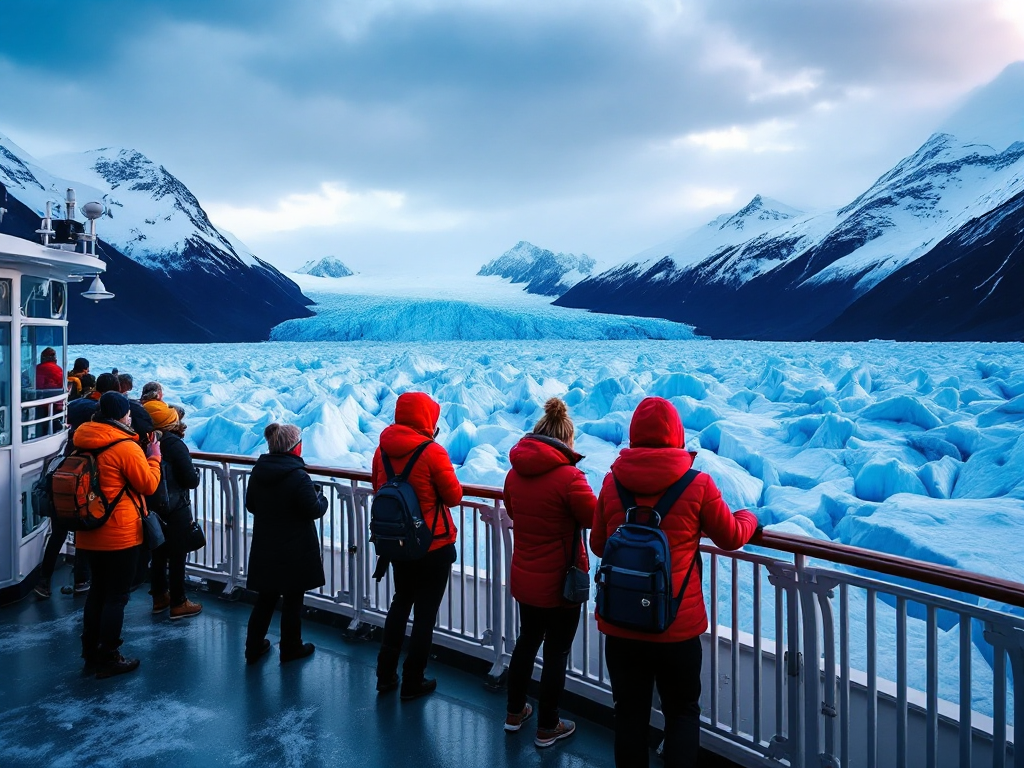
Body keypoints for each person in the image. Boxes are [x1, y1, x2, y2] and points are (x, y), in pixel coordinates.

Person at [590, 397, 759, 768]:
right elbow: (730, 536)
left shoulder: (611, 482)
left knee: (629, 713)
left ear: (634, 435)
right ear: (677, 436)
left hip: (621, 625)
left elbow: (599, 544)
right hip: (676, 629)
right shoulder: (697, 484)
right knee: (682, 712)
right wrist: (748, 518)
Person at [503, 398, 596, 748]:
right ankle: (548, 725)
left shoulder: (514, 474)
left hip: (526, 576)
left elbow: (513, 509)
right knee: (556, 653)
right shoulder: (571, 478)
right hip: (561, 583)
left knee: (527, 642)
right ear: (566, 440)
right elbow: (593, 518)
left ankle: (514, 713)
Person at [372, 391, 463, 700]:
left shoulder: (382, 450)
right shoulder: (432, 451)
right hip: (434, 545)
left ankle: (385, 675)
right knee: (425, 615)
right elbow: (453, 496)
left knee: (400, 602)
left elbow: (378, 488)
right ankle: (413, 680)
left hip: (399, 544)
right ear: (427, 419)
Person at [74, 391, 162, 679]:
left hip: (89, 531)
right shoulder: (125, 447)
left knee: (98, 592)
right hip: (120, 534)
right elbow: (148, 485)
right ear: (123, 415)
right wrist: (155, 458)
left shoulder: (81, 440)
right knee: (116, 596)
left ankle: (90, 653)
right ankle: (109, 655)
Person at [244, 423, 328, 664]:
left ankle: (253, 646)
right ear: (295, 448)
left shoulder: (259, 471)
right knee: (293, 600)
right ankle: (291, 648)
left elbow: (252, 505)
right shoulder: (298, 476)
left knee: (266, 598)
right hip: (294, 549)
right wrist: (320, 497)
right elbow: (313, 509)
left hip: (266, 545)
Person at [145, 399, 202, 620]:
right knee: (178, 555)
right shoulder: (174, 444)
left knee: (158, 552)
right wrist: (194, 474)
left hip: (152, 506)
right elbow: (190, 479)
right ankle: (179, 602)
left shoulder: (146, 440)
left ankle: (160, 597)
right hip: (175, 507)